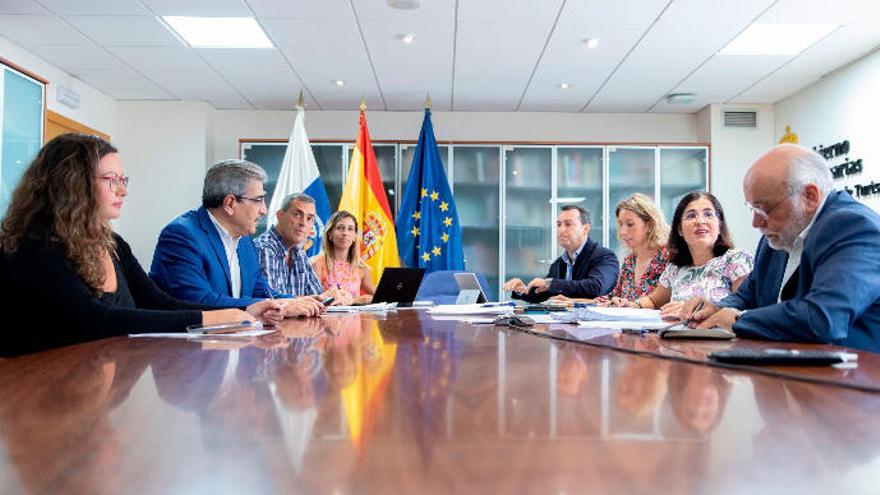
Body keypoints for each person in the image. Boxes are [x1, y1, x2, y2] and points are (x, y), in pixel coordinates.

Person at [0, 134, 274, 356]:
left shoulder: (113, 244)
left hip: (98, 382)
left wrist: (242, 312)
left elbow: (159, 303)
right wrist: (208, 321)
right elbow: (95, 320)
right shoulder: (35, 245)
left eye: (123, 180)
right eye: (112, 180)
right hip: (37, 395)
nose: (123, 190)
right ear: (72, 184)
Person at [685, 144, 880, 352]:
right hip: (783, 367)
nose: (755, 222)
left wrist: (738, 319)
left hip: (849, 375)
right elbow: (748, 294)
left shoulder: (855, 228)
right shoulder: (781, 233)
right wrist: (716, 307)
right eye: (752, 208)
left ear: (810, 196)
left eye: (764, 209)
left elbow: (823, 318)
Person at [150, 159, 323, 317]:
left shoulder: (245, 242)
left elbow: (263, 293)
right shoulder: (182, 236)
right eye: (259, 200)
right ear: (230, 204)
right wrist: (280, 307)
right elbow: (199, 301)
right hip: (187, 347)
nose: (264, 210)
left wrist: (303, 301)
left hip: (234, 342)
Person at [623, 192, 753, 318]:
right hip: (673, 336)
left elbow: (747, 306)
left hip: (717, 338)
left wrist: (693, 309)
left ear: (720, 225)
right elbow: (653, 301)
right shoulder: (675, 268)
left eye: (708, 214)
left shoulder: (737, 260)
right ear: (679, 229)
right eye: (691, 216)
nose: (700, 221)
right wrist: (632, 306)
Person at [551, 194, 670, 306]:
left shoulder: (667, 257)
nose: (623, 232)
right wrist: (571, 301)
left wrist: (631, 305)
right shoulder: (630, 261)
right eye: (620, 224)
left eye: (630, 224)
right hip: (629, 326)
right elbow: (611, 298)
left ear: (649, 225)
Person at [502, 205, 618, 303]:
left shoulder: (605, 257)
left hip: (595, 326)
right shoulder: (559, 263)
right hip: (566, 325)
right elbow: (543, 293)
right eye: (558, 225)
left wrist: (550, 283)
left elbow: (595, 287)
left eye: (568, 224)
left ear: (585, 229)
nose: (561, 230)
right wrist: (523, 290)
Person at [254, 193, 353, 305]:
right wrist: (322, 298)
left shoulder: (300, 254)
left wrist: (339, 296)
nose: (303, 223)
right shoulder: (265, 249)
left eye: (309, 218)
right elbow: (271, 302)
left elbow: (319, 296)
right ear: (280, 216)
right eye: (297, 215)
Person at [310, 210, 376, 304]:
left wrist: (353, 301)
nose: (345, 233)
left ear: (354, 236)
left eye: (350, 229)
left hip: (355, 317)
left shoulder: (361, 267)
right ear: (330, 234)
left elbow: (378, 297)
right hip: (325, 317)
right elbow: (311, 299)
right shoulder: (317, 263)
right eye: (340, 228)